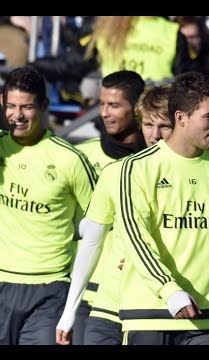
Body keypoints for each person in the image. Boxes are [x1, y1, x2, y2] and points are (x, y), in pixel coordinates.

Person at [117, 71, 209, 345]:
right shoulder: (137, 168)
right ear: (181, 118)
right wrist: (170, 291)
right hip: (150, 312)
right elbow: (136, 239)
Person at [56, 85, 173, 345]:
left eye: (163, 126)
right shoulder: (117, 172)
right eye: (148, 125)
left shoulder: (208, 172)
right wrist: (68, 312)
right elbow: (91, 240)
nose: (154, 135)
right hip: (105, 303)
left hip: (159, 311)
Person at [0, 66, 97, 345]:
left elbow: (97, 224)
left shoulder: (70, 160)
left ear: (43, 106)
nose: (17, 116)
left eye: (27, 107)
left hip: (49, 286)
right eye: (11, 106)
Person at [70, 69, 146, 345]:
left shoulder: (154, 161)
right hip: (87, 294)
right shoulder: (83, 155)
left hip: (136, 294)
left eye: (114, 105)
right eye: (102, 104)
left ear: (137, 108)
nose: (104, 113)